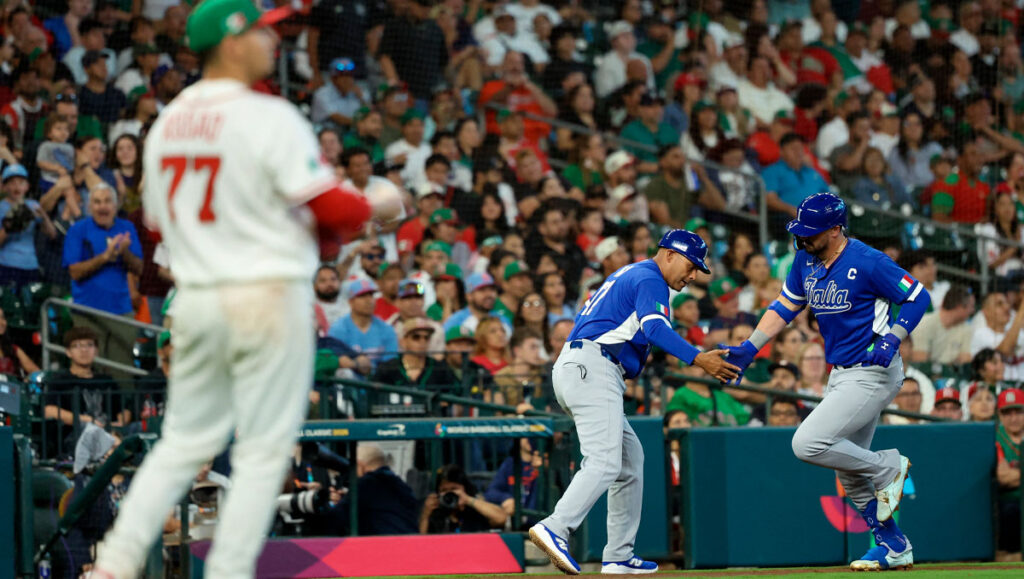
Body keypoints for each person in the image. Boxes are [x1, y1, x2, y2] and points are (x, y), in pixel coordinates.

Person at [91, 2, 378, 577]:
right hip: (266, 295)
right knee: (263, 452)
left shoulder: (167, 122)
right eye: (262, 31)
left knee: (180, 445)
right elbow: (336, 211)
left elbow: (154, 224)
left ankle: (113, 566)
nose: (274, 41)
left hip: (197, 301)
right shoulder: (267, 115)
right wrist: (374, 203)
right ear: (231, 41)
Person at [724, 193, 927, 571]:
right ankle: (893, 545)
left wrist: (894, 336)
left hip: (873, 368)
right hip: (841, 372)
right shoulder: (805, 258)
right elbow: (785, 305)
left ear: (836, 230)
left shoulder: (867, 260)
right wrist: (750, 347)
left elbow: (917, 296)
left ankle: (888, 467)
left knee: (808, 443)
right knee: (848, 473)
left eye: (811, 232)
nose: (802, 239)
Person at [529, 228, 739, 575]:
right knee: (605, 462)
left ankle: (618, 557)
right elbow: (655, 330)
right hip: (593, 366)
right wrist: (700, 359)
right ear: (669, 254)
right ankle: (556, 526)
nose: (691, 275)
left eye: (697, 270)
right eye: (690, 266)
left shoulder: (634, 273)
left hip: (584, 366)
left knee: (629, 461)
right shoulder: (650, 276)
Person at [337, 443, 418, 536]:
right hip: (410, 544)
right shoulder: (402, 486)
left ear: (360, 465)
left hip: (382, 546)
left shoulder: (365, 484)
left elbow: (336, 518)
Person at [422, 464, 508, 533]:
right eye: (444, 490)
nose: (449, 493)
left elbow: (501, 518)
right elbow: (421, 543)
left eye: (454, 489)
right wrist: (426, 514)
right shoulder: (436, 515)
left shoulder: (476, 510)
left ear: (464, 488)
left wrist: (468, 500)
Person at [909, 285, 975, 365]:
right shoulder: (924, 324)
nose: (973, 311)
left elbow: (965, 361)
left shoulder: (966, 328)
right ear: (959, 307)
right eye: (971, 307)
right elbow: (920, 361)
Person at [995, 388, 1023, 562]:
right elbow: (1003, 477)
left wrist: (1016, 475)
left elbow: (1010, 475)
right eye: (1007, 413)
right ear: (1000, 415)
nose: (1013, 418)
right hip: (1009, 502)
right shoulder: (997, 438)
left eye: (1018, 412)